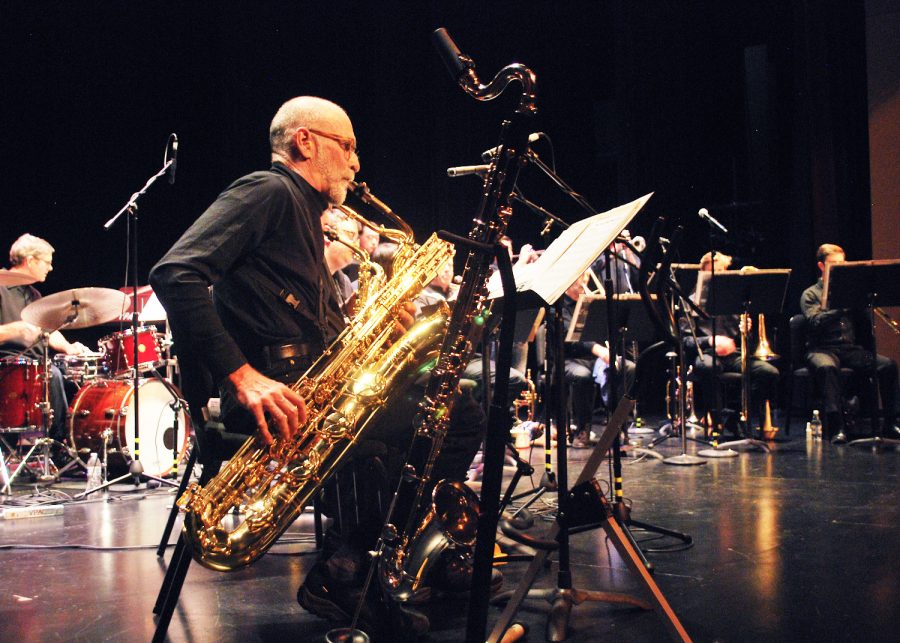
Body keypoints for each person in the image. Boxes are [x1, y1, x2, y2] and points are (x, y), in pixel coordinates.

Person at [149, 96, 485, 637]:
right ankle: (352, 569)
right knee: (455, 413)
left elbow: (300, 319)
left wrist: (371, 327)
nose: (356, 163)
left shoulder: (306, 217)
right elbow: (175, 274)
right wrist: (242, 376)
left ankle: (376, 563)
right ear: (305, 141)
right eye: (347, 147)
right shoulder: (268, 191)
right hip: (279, 392)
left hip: (310, 383)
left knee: (455, 403)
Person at [800, 243, 898, 443]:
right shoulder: (810, 294)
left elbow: (862, 323)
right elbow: (815, 322)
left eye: (842, 263)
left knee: (887, 365)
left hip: (849, 349)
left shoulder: (851, 291)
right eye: (834, 264)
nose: (840, 267)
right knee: (827, 368)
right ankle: (837, 427)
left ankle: (890, 422)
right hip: (821, 349)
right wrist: (840, 306)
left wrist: (866, 300)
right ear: (821, 266)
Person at [0, 234, 89, 441]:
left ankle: (76, 442)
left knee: (73, 374)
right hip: (7, 366)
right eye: (47, 263)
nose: (50, 268)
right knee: (52, 375)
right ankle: (58, 443)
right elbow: (21, 330)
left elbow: (47, 331)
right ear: (30, 260)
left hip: (36, 365)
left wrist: (68, 347)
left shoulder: (33, 295)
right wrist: (16, 330)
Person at [681, 251, 779, 433]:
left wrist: (746, 332)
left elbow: (744, 342)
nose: (718, 276)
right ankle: (717, 419)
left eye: (722, 271)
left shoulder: (733, 300)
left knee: (768, 372)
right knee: (709, 368)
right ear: (703, 274)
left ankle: (733, 415)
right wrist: (710, 340)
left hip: (733, 355)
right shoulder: (692, 301)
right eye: (714, 272)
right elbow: (685, 340)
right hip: (707, 354)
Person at [547, 271, 635, 448]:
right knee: (582, 375)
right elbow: (568, 338)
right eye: (580, 278)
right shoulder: (557, 306)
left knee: (629, 367)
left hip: (597, 358)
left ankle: (618, 426)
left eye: (586, 278)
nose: (585, 282)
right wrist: (597, 349)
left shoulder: (594, 304)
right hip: (569, 359)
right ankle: (582, 428)